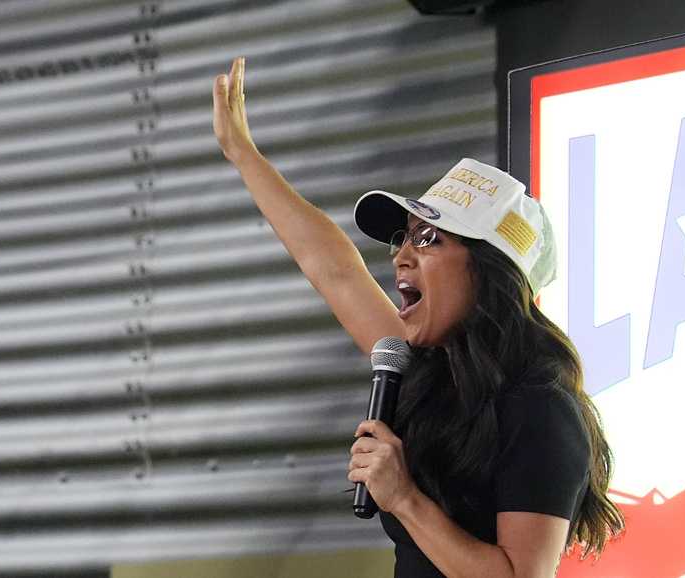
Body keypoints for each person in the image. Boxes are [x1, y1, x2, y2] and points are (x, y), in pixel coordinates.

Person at [213, 57, 623, 578]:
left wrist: (405, 497)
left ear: (490, 270)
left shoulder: (541, 409)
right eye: (403, 237)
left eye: (430, 239)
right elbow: (335, 270)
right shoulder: (428, 370)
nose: (402, 255)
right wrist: (243, 156)